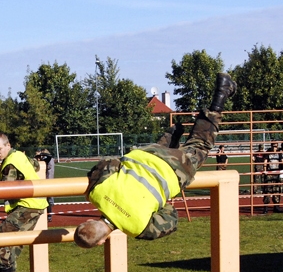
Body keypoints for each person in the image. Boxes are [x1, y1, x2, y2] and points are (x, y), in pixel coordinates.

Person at [74, 72, 236, 247]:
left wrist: (152, 202)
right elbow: (110, 163)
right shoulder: (95, 192)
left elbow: (171, 218)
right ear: (90, 219)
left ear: (102, 241)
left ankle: (222, 94)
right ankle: (168, 139)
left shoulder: (139, 228)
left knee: (201, 144)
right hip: (146, 154)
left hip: (173, 170)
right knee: (155, 153)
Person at [0, 133, 47, 272]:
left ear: (8, 145)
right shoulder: (19, 155)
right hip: (36, 204)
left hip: (27, 206)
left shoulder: (10, 164)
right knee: (13, 246)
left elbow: (4, 188)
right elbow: (35, 166)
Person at [36, 149, 56, 221]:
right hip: (47, 181)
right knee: (47, 199)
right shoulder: (48, 159)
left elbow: (46, 158)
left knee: (48, 199)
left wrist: (39, 155)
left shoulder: (49, 158)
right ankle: (48, 214)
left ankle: (49, 215)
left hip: (48, 181)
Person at [252, 145, 268, 214]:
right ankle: (256, 190)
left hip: (261, 166)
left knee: (262, 179)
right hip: (257, 166)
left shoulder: (264, 153)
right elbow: (253, 159)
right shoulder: (256, 153)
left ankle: (261, 189)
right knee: (256, 179)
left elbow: (264, 160)